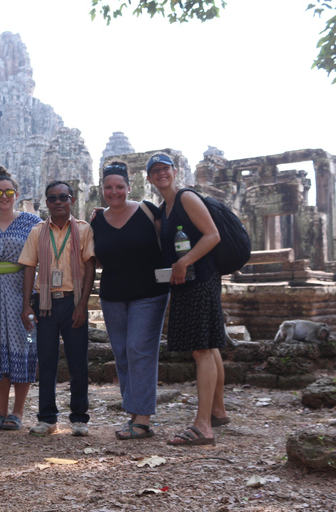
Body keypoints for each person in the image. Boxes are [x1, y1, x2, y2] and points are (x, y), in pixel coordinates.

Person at [145, 152, 229, 446]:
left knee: (201, 350)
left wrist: (184, 262)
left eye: (165, 169)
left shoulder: (186, 198)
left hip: (200, 278)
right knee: (209, 344)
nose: (160, 174)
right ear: (149, 177)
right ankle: (218, 410)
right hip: (186, 281)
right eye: (154, 171)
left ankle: (203, 426)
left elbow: (212, 235)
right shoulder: (165, 208)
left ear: (175, 171)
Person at [91, 161, 170, 440]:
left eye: (120, 187)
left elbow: (168, 243)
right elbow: (96, 258)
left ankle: (143, 419)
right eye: (109, 187)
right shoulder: (97, 220)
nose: (114, 192)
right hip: (112, 295)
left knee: (140, 349)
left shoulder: (148, 210)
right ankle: (134, 412)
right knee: (123, 352)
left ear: (129, 187)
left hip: (149, 293)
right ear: (102, 190)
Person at [19, 181, 96, 437]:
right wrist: (26, 304)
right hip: (45, 302)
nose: (58, 202)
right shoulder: (37, 232)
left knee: (77, 361)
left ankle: (79, 417)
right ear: (47, 203)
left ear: (72, 200)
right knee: (47, 360)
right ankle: (47, 417)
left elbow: (89, 269)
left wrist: (83, 304)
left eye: (63, 197)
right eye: (52, 198)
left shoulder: (84, 230)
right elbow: (29, 267)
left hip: (73, 301)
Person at [0, 166, 41, 431]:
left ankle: (18, 411)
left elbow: (38, 260)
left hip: (22, 288)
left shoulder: (30, 222)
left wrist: (30, 302)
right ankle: (0, 410)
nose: (4, 196)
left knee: (23, 345)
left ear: (16, 194)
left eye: (9, 191)